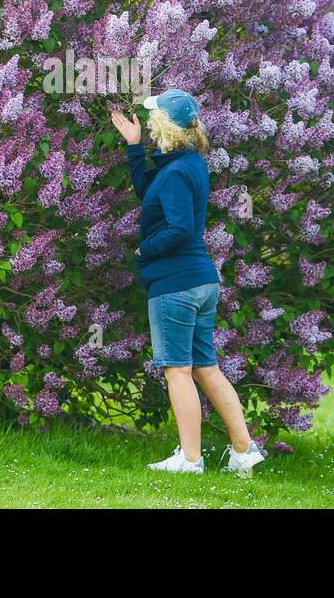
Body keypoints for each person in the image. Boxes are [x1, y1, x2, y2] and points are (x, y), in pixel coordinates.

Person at [110, 89, 266, 476]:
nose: (147, 123)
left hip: (175, 284)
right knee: (206, 368)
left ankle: (191, 459)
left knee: (177, 370)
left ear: (165, 124)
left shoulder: (178, 171)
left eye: (152, 118)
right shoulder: (186, 163)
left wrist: (145, 251)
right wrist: (134, 149)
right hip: (200, 281)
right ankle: (244, 452)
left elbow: (178, 229)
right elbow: (152, 195)